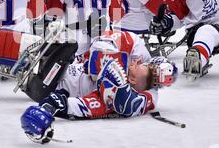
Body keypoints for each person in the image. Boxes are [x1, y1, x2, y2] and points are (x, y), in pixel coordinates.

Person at [20, 53, 177, 144]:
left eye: (146, 68)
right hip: (62, 62)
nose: (136, 64)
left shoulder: (111, 99)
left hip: (48, 82)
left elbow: (126, 106)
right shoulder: (124, 65)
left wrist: (50, 106)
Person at [23, 29, 152, 102]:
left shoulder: (116, 84)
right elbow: (94, 53)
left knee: (70, 46)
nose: (136, 62)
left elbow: (95, 57)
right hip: (52, 79)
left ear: (133, 79)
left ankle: (27, 67)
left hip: (48, 87)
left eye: (139, 66)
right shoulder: (120, 78)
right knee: (58, 42)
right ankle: (23, 61)